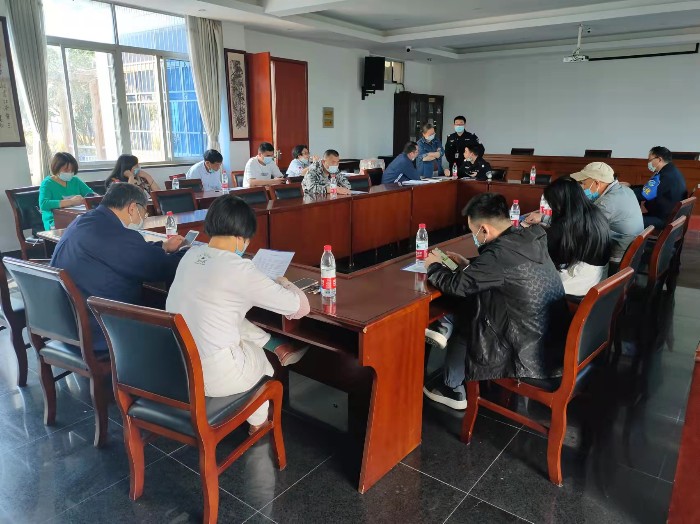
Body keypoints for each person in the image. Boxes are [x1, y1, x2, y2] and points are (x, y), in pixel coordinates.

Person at [166, 194, 310, 431]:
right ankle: (258, 424)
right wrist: (284, 282)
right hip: (214, 378)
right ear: (241, 238)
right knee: (262, 363)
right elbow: (300, 308)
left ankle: (277, 345)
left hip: (179, 366)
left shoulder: (190, 255)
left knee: (226, 318)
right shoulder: (239, 268)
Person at [422, 193, 569, 409]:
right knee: (479, 301)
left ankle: (451, 387)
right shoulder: (530, 237)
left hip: (528, 354)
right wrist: (469, 265)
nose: (474, 237)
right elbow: (500, 272)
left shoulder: (498, 255)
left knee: (472, 319)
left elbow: (457, 286)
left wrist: (433, 266)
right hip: (550, 340)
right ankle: (446, 325)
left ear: (484, 229)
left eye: (473, 232)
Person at [50, 183, 186, 351]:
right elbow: (162, 267)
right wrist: (187, 251)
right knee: (175, 307)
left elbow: (130, 252)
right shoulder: (115, 234)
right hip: (102, 331)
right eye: (144, 213)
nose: (143, 218)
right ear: (132, 208)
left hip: (70, 324)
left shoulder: (86, 221)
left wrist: (163, 246)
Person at [531, 177, 611, 296]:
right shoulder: (593, 212)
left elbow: (548, 255)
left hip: (582, 284)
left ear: (559, 201)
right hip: (599, 276)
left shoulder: (566, 225)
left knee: (528, 277)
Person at [569, 162, 643, 264]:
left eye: (584, 183)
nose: (583, 188)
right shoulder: (625, 190)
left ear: (597, 183)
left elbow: (581, 227)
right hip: (633, 251)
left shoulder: (607, 203)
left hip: (619, 257)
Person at [634, 146, 687, 229]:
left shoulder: (665, 175)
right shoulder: (671, 170)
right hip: (671, 218)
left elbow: (644, 194)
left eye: (650, 160)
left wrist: (625, 191)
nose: (649, 163)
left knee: (626, 222)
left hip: (663, 220)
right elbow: (649, 188)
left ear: (659, 159)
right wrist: (631, 186)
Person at [39, 152, 95, 230]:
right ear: (56, 168)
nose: (69, 173)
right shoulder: (47, 183)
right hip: (54, 221)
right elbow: (43, 204)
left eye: (72, 170)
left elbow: (91, 195)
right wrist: (71, 201)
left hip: (75, 217)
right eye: (66, 170)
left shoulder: (75, 181)